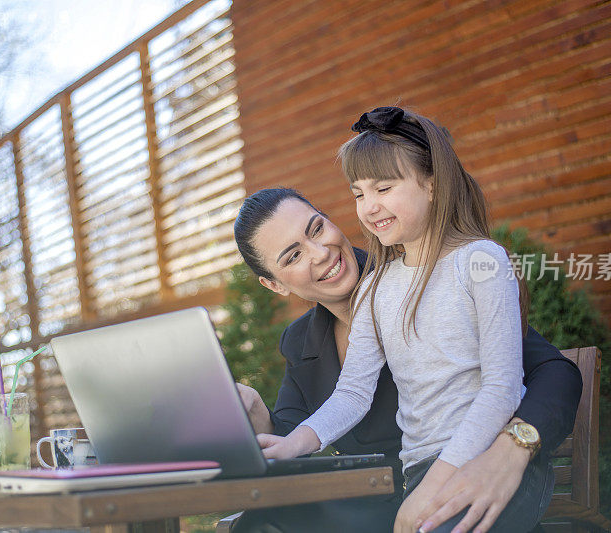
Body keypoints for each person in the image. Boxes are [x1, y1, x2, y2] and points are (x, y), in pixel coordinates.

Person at [231, 125, 582, 532]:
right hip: (398, 489)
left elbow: (527, 379)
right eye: (293, 255)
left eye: (316, 229)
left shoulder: (468, 266)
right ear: (273, 284)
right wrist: (259, 415)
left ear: (431, 186)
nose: (321, 252)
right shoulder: (335, 320)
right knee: (257, 523)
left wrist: (510, 449)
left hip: (476, 464)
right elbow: (324, 415)